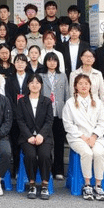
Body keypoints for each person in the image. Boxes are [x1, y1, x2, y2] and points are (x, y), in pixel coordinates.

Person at [62, 74, 104, 201]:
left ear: (90, 86)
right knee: (87, 153)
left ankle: (98, 185)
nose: (83, 86)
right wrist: (83, 137)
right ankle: (87, 184)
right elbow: (68, 124)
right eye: (80, 83)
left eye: (86, 84)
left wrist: (94, 136)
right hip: (77, 137)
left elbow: (102, 122)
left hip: (96, 137)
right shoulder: (70, 103)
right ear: (75, 86)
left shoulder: (97, 102)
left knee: (98, 153)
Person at [16, 74, 53, 200]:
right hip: (27, 137)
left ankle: (44, 185)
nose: (34, 85)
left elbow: (49, 121)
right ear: (27, 85)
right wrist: (29, 136)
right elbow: (20, 121)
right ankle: (32, 184)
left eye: (37, 83)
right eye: (32, 82)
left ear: (41, 85)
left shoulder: (47, 101)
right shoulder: (22, 101)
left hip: (44, 136)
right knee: (30, 155)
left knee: (44, 155)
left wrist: (41, 135)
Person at [39, 52, 69, 180]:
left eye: (54, 60)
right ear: (45, 62)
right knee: (46, 143)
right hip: (45, 114)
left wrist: (66, 111)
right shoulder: (41, 76)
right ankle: (48, 169)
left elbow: (67, 94)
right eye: (49, 60)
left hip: (59, 113)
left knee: (59, 143)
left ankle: (59, 170)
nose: (52, 63)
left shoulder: (62, 76)